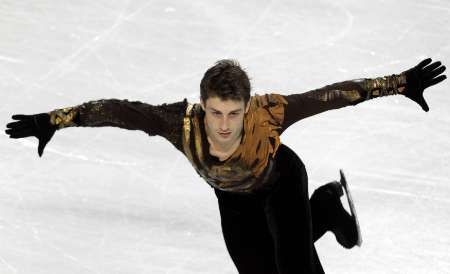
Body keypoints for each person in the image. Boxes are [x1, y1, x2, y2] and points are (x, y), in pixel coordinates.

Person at [5, 58, 446, 273]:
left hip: (281, 183)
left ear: (245, 107)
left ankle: (315, 205)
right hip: (233, 200)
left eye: (233, 114)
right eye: (216, 113)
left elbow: (333, 95)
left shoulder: (270, 114)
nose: (224, 126)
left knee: (294, 269)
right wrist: (53, 121)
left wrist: (400, 83)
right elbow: (118, 110)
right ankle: (326, 208)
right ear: (203, 106)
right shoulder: (180, 126)